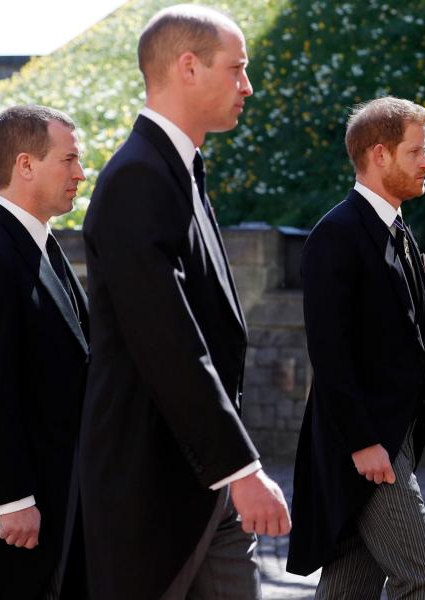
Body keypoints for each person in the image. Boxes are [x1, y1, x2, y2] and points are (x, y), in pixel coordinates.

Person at [77, 4, 290, 598]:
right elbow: (165, 339)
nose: (247, 85)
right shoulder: (138, 178)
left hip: (201, 481)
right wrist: (242, 471)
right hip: (152, 488)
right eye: (237, 68)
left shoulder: (179, 169)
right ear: (188, 67)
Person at [285, 96, 425, 600]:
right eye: (415, 151)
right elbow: (330, 354)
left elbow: (422, 354)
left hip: (393, 442)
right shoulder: (336, 235)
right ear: (379, 155)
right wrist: (362, 442)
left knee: (350, 587)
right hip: (367, 448)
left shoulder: (403, 237)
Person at [0, 104, 89, 599]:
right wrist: (13, 498)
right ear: (25, 165)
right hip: (24, 515)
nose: (80, 173)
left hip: (61, 493)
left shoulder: (38, 243)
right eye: (68, 160)